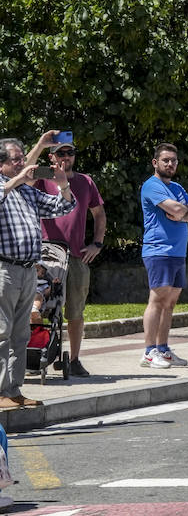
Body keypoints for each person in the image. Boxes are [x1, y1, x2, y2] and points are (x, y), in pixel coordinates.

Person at [0, 137, 74, 409]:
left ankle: (13, 390)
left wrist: (62, 184)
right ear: (1, 164)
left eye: (22, 158)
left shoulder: (27, 192)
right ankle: (0, 392)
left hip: (27, 270)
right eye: (15, 159)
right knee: (2, 331)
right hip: (4, 268)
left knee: (20, 333)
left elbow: (63, 207)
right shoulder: (5, 188)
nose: (23, 163)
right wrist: (18, 178)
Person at [35, 133, 105, 377]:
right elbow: (22, 176)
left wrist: (97, 243)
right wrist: (41, 145)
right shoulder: (42, 178)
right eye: (61, 153)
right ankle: (34, 354)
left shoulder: (85, 181)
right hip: (44, 254)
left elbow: (99, 214)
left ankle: (74, 359)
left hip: (75, 255)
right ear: (52, 156)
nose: (66, 157)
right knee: (39, 307)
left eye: (70, 153)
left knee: (75, 311)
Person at [140, 143, 188, 369]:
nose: (171, 164)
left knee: (170, 302)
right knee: (157, 299)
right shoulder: (151, 185)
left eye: (174, 160)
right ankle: (148, 351)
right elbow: (178, 209)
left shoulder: (177, 186)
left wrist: (183, 213)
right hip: (159, 250)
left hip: (177, 251)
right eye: (166, 160)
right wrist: (182, 211)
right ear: (155, 163)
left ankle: (163, 349)